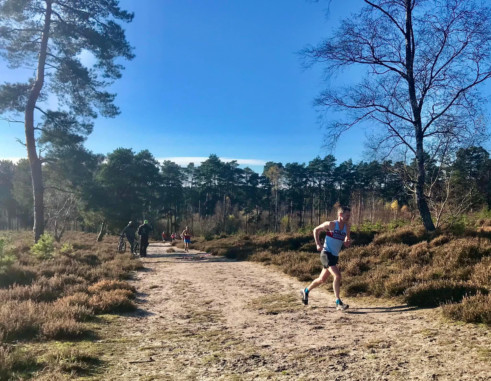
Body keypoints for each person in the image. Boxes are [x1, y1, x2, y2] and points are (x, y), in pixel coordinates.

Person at [301, 206, 351, 311]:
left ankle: (305, 291)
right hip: (326, 254)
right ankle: (338, 302)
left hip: (334, 256)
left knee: (321, 280)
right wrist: (318, 244)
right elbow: (316, 230)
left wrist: (347, 241)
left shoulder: (347, 226)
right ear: (340, 215)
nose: (348, 217)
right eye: (346, 215)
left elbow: (347, 240)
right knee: (337, 276)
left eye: (349, 216)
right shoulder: (331, 224)